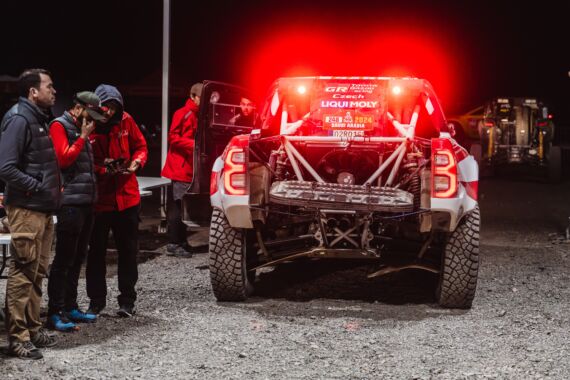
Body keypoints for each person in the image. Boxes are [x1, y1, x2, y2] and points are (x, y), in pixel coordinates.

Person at [0, 68, 60, 359]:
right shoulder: (20, 119)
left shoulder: (38, 119)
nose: (54, 91)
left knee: (37, 272)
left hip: (41, 209)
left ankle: (33, 329)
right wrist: (37, 187)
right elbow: (6, 167)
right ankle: (18, 338)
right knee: (23, 271)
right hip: (26, 209)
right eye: (49, 86)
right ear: (32, 92)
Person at [86, 84, 148, 318]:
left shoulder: (127, 120)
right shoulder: (89, 125)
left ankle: (127, 301)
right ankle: (96, 301)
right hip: (100, 200)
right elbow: (82, 161)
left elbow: (140, 146)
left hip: (127, 199)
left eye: (114, 107)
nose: (110, 112)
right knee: (96, 253)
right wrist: (103, 169)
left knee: (128, 251)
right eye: (106, 106)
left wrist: (137, 162)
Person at [46, 92, 105, 332]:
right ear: (78, 108)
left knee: (78, 257)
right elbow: (63, 160)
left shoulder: (82, 129)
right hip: (70, 202)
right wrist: (82, 137)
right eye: (89, 115)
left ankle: (70, 306)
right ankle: (54, 311)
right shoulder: (59, 126)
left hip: (86, 202)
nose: (91, 121)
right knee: (63, 259)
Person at [160, 82, 203, 257]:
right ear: (192, 96)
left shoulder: (199, 114)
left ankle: (181, 241)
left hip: (188, 169)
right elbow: (172, 137)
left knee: (184, 206)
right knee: (178, 206)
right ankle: (174, 243)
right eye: (201, 97)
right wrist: (194, 145)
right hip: (180, 167)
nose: (203, 100)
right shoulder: (182, 113)